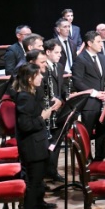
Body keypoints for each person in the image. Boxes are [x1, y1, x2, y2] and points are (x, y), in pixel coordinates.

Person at [14, 63, 61, 209]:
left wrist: (49, 109)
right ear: (29, 78)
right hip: (32, 147)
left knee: (36, 182)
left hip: (37, 143)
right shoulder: (24, 97)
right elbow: (25, 125)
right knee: (33, 184)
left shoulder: (31, 94)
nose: (42, 77)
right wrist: (43, 116)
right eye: (38, 75)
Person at [71, 31, 105, 161]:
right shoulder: (80, 59)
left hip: (104, 102)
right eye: (98, 42)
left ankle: (100, 158)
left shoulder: (102, 57)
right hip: (90, 103)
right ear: (89, 43)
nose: (101, 44)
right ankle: (86, 160)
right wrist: (95, 93)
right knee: (87, 132)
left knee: (102, 132)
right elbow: (77, 81)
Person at [42, 39, 67, 182]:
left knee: (56, 141)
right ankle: (45, 171)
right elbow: (43, 90)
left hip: (58, 109)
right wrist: (53, 102)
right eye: (56, 53)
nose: (59, 55)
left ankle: (53, 170)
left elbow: (61, 87)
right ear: (48, 52)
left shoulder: (59, 66)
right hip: (47, 109)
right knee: (47, 142)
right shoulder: (43, 68)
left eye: (60, 52)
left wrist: (63, 99)